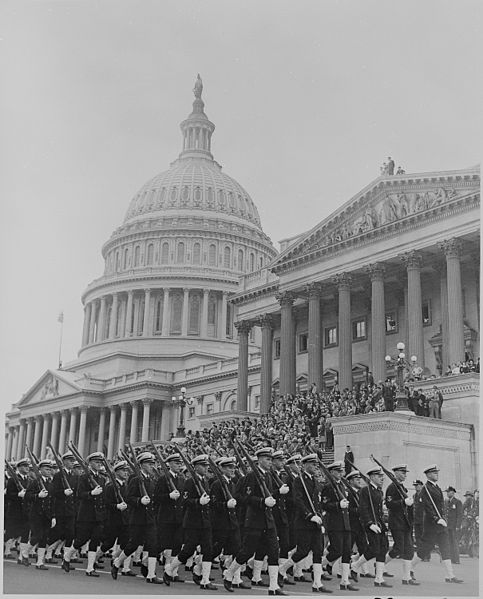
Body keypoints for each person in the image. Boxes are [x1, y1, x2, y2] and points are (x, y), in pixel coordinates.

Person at [223, 446, 285, 596]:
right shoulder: (251, 477)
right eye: (267, 459)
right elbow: (242, 497)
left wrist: (276, 495)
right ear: (259, 460)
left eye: (271, 459)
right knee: (247, 551)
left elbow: (269, 496)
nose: (270, 462)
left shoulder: (268, 476)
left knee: (273, 551)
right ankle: (229, 574)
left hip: (268, 521)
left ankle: (274, 586)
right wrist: (262, 501)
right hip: (255, 520)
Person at [278, 454, 334, 593]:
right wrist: (309, 515)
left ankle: (317, 583)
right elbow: (298, 501)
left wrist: (319, 516)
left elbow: (316, 501)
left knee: (318, 551)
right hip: (303, 522)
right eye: (313, 464)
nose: (316, 466)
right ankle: (282, 569)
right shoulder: (299, 481)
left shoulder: (314, 481)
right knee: (302, 551)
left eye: (316, 464)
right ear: (305, 465)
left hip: (316, 522)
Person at [163, 454, 216, 590]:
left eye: (206, 465)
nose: (206, 468)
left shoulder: (204, 481)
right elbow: (185, 502)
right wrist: (198, 502)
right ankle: (169, 570)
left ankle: (205, 580)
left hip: (205, 521)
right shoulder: (190, 482)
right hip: (193, 521)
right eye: (203, 466)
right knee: (188, 550)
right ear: (196, 467)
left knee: (208, 549)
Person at [111, 451, 161, 584]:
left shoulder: (150, 479)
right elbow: (129, 498)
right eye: (149, 464)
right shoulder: (135, 479)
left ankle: (151, 575)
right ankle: (117, 562)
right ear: (142, 465)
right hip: (138, 518)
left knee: (153, 544)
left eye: (153, 463)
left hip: (149, 518)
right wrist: (139, 501)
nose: (152, 466)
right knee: (133, 545)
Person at [411, 464, 463, 584]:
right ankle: (410, 569)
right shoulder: (425, 489)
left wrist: (442, 518)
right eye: (434, 473)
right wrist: (436, 518)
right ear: (428, 475)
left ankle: (450, 575)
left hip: (440, 524)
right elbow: (427, 506)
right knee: (424, 550)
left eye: (437, 472)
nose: (437, 474)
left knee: (445, 548)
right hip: (431, 525)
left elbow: (440, 506)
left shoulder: (436, 487)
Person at [63, 452, 106, 576]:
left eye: (100, 462)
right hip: (86, 514)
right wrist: (91, 493)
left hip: (98, 515)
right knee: (81, 540)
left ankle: (90, 568)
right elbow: (79, 494)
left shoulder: (102, 479)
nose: (99, 464)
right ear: (90, 463)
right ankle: (67, 556)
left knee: (95, 540)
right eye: (96, 462)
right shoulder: (83, 477)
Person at [351, 467, 392, 588]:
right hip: (371, 524)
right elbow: (363, 508)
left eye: (382, 477)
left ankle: (379, 578)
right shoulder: (365, 490)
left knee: (383, 549)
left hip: (379, 524)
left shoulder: (379, 491)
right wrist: (369, 523)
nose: (382, 479)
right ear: (372, 477)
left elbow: (379, 510)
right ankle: (355, 565)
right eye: (379, 476)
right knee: (374, 549)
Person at [321, 460, 358, 592]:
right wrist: (337, 505)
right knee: (336, 550)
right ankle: (320, 566)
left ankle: (345, 581)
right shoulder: (328, 487)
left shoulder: (342, 486)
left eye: (341, 471)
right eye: (337, 471)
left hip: (345, 523)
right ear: (331, 472)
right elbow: (324, 505)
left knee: (347, 551)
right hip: (334, 523)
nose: (340, 473)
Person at [384, 464, 419, 586]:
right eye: (403, 473)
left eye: (405, 473)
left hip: (406, 522)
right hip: (397, 522)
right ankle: (381, 564)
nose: (405, 475)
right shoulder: (392, 487)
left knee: (409, 549)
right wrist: (402, 502)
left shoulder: (402, 488)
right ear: (396, 473)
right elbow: (389, 504)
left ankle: (406, 577)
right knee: (398, 548)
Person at [154, 452, 185, 582]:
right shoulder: (163, 479)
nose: (179, 465)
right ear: (170, 464)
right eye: (176, 463)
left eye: (179, 463)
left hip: (178, 517)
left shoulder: (182, 479)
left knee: (177, 543)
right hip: (166, 516)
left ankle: (173, 571)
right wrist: (168, 496)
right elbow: (156, 498)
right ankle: (148, 564)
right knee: (164, 543)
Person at [25, 459, 56, 570]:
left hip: (46, 515)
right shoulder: (35, 482)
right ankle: (25, 553)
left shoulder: (50, 484)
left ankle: (39, 562)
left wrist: (53, 516)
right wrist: (37, 495)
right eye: (46, 469)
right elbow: (27, 496)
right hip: (36, 514)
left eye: (50, 469)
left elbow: (52, 502)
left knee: (44, 538)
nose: (49, 471)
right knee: (37, 536)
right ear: (40, 470)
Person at [4, 458, 31, 564]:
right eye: (24, 466)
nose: (27, 468)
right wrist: (18, 495)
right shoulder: (12, 480)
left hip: (26, 511)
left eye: (28, 466)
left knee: (25, 533)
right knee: (12, 532)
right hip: (15, 511)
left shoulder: (29, 480)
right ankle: (6, 551)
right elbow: (9, 496)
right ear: (19, 468)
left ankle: (21, 557)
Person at [444, 487, 463, 564]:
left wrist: (458, 526)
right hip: (448, 526)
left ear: (453, 493)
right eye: (447, 492)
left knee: (454, 543)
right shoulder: (447, 502)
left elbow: (459, 514)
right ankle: (452, 559)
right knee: (449, 542)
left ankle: (456, 559)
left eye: (449, 492)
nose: (447, 493)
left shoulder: (457, 502)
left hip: (454, 526)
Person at [412, 480, 425, 558]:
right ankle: (420, 554)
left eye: (417, 485)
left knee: (423, 538)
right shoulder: (414, 496)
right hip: (416, 520)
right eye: (415, 486)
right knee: (418, 537)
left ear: (421, 486)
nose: (416, 487)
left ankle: (426, 555)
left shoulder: (424, 495)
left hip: (423, 520)